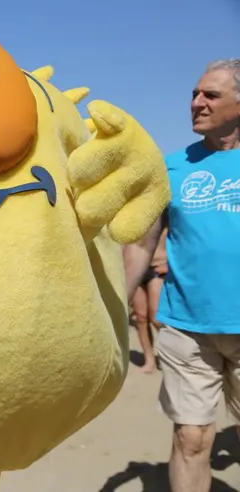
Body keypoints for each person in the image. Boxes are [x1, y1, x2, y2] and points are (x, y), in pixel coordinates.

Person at [123, 58, 240, 492]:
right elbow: (140, 242)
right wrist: (119, 297)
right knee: (191, 438)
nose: (196, 102)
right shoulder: (170, 168)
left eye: (211, 95)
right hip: (187, 327)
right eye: (194, 94)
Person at [127, 226, 168, 374]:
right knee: (141, 318)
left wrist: (168, 263)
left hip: (158, 266)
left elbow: (178, 238)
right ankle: (149, 360)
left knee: (156, 317)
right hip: (137, 269)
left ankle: (170, 356)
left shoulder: (162, 210)